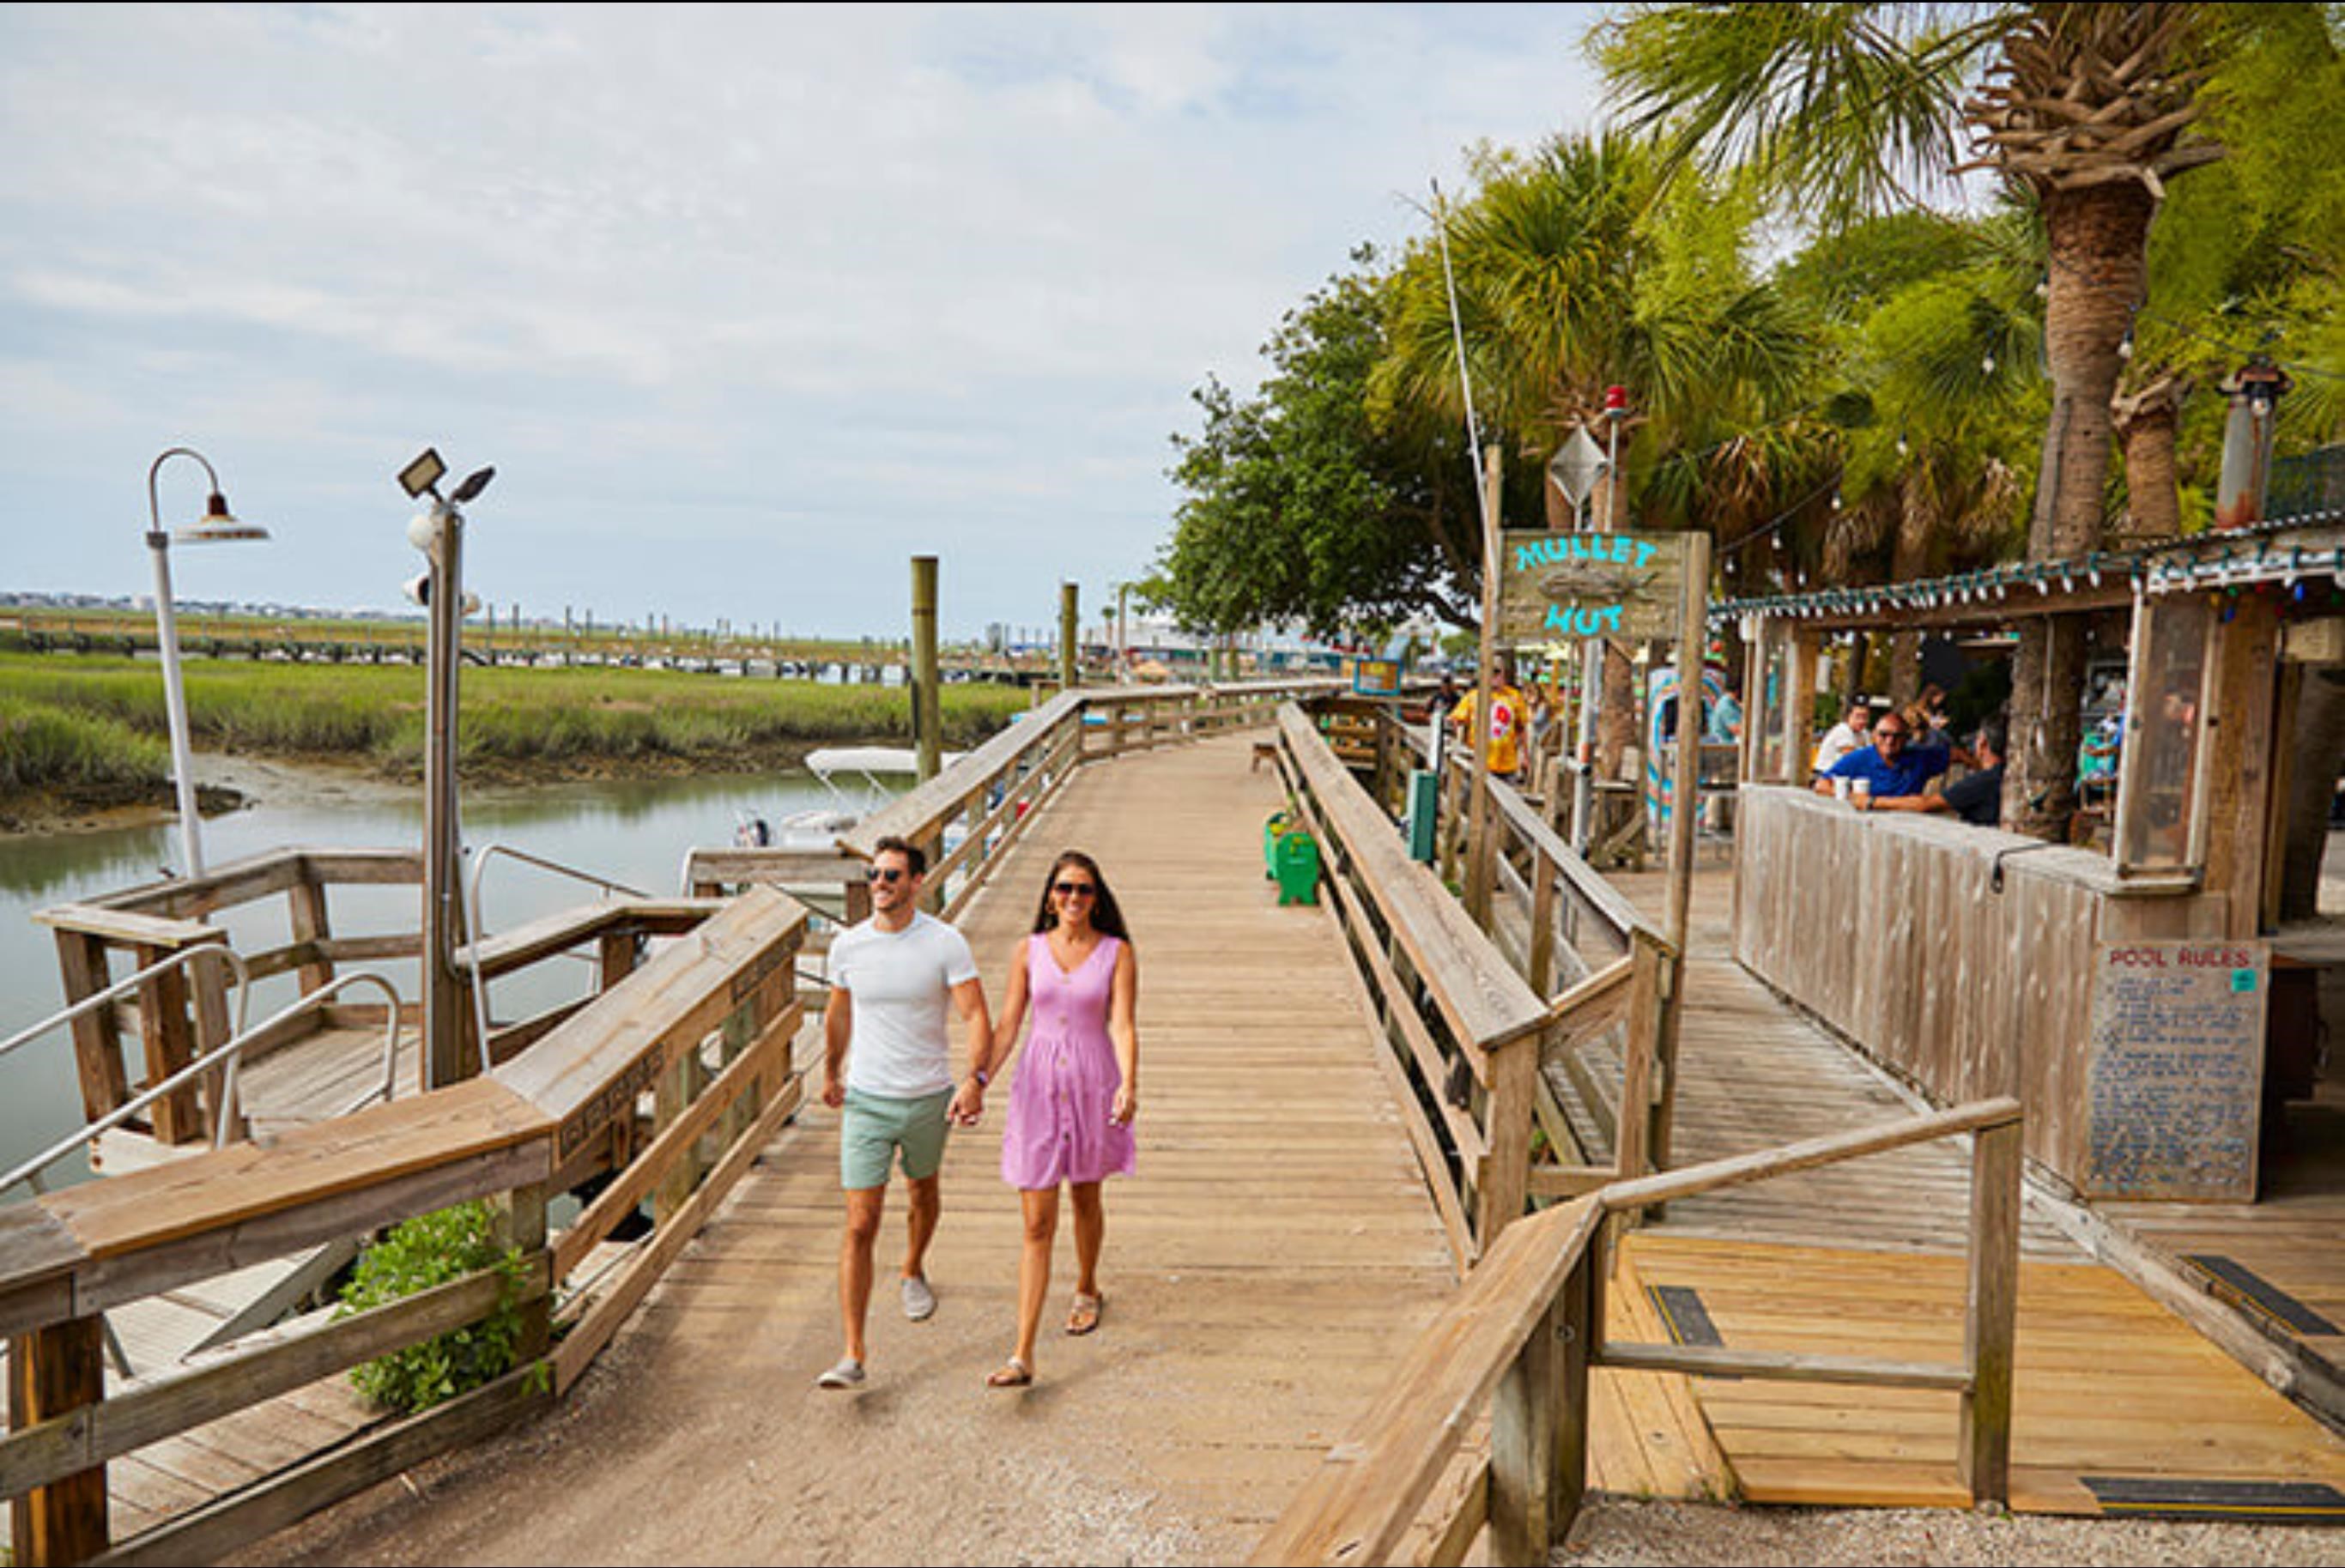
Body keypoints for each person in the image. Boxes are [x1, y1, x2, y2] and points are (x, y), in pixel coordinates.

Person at [815, 835, 993, 1390]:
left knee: (922, 1192)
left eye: (893, 876)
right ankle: (853, 1351)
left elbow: (976, 1014)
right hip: (866, 1098)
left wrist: (974, 1079)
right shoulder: (848, 946)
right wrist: (830, 1071)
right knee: (860, 1221)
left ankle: (913, 1266)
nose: (881, 885)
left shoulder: (944, 943)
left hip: (927, 1096)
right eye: (874, 875)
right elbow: (838, 1014)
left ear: (917, 882)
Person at [984, 851, 1140, 1389]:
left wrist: (1129, 1082)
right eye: (1065, 889)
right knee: (1036, 1221)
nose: (1074, 899)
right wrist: (977, 1079)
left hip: (1094, 1082)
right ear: (1050, 896)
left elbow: (1122, 1024)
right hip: (1038, 1087)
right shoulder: (1027, 952)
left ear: (1098, 898)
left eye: (1084, 890)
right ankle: (1023, 1354)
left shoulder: (1118, 954)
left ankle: (1088, 1285)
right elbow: (1007, 1025)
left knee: (1086, 1197)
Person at [1862, 717, 2006, 826]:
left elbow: (1926, 804)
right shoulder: (2004, 775)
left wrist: (1871, 802)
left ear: (1983, 744)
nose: (1890, 741)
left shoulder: (1983, 781)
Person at [1814, 710, 1949, 802]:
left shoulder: (1920, 757)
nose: (1890, 741)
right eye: (1884, 735)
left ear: (1906, 739)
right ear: (1874, 736)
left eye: (1897, 736)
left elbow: (1955, 754)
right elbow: (1821, 785)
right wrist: (1853, 798)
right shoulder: (1859, 757)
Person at [1447, 658, 1530, 781]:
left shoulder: (1515, 696)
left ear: (1503, 674)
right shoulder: (1473, 696)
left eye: (1497, 672)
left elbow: (1522, 728)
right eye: (1490, 673)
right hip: (1478, 763)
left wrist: (1525, 756)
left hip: (1506, 766)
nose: (1494, 677)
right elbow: (1455, 720)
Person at [1812, 699, 1875, 776]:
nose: (1861, 721)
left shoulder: (1864, 733)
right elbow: (1851, 756)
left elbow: (1872, 755)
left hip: (1841, 776)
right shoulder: (1842, 730)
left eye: (1865, 717)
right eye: (1858, 716)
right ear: (1849, 716)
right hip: (1824, 774)